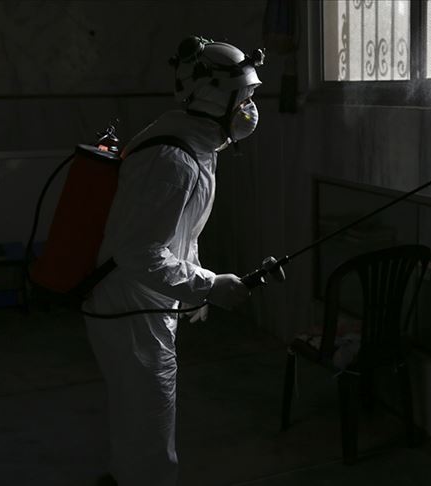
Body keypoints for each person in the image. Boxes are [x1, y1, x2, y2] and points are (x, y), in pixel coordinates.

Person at [85, 37, 264, 486]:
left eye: (251, 97)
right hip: (131, 310)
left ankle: (125, 478)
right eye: (243, 98)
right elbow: (139, 252)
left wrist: (192, 292)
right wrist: (208, 285)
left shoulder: (196, 146)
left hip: (144, 302)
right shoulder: (173, 161)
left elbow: (179, 231)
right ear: (214, 98)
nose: (250, 110)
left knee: (138, 415)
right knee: (150, 422)